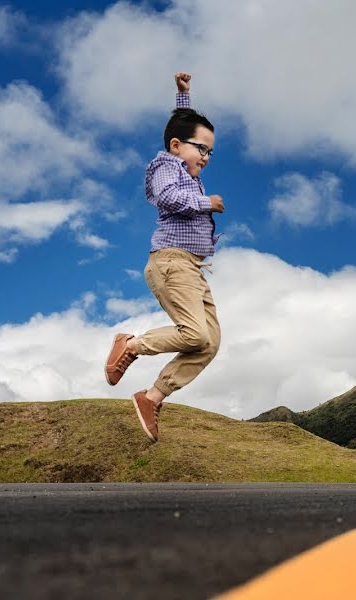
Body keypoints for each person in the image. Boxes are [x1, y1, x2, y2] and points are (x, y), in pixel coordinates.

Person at [104, 71, 225, 442]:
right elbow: (167, 197)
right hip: (171, 262)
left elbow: (182, 129)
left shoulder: (183, 162)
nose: (205, 157)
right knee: (193, 333)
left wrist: (182, 96)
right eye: (200, 149)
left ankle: (152, 397)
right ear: (175, 146)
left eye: (210, 152)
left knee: (209, 342)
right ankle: (131, 345)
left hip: (191, 268)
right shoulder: (166, 166)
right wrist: (206, 202)